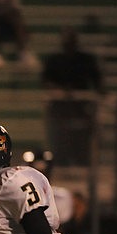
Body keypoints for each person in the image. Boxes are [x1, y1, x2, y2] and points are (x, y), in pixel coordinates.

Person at [41, 27, 104, 167]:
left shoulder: (86, 60)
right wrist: (61, 91)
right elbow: (47, 82)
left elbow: (98, 82)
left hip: (82, 109)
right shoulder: (54, 60)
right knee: (61, 140)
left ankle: (83, 167)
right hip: (60, 109)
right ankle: (62, 165)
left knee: (82, 140)